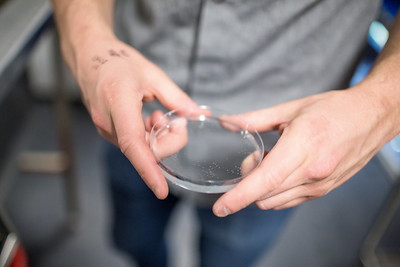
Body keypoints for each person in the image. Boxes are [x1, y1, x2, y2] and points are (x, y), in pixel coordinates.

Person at [50, 0, 400, 266]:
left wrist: (382, 104)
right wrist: (89, 41)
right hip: (132, 111)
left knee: (229, 258)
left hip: (278, 152)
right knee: (134, 240)